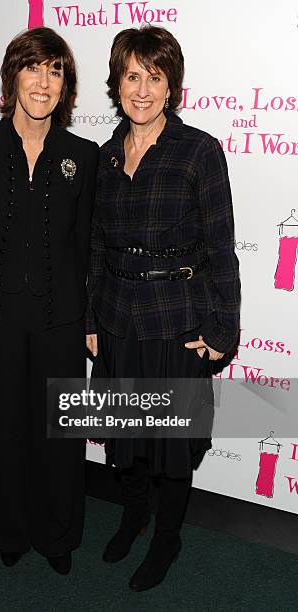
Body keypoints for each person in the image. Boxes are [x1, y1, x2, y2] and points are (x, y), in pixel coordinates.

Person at [86, 26, 240, 592]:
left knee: (172, 445)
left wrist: (224, 328)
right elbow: (96, 247)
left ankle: (167, 537)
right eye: (132, 76)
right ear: (117, 84)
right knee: (126, 438)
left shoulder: (199, 151)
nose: (143, 89)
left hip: (178, 321)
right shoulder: (102, 157)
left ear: (172, 86)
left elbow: (220, 247)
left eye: (155, 77)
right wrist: (89, 321)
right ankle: (133, 514)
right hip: (117, 317)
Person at [0, 27, 98, 575]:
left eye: (55, 70)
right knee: (5, 428)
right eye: (33, 67)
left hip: (61, 317)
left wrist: (84, 316)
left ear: (65, 85)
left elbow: (86, 243)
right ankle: (9, 530)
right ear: (13, 76)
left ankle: (58, 534)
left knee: (59, 434)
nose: (44, 81)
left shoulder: (82, 156)